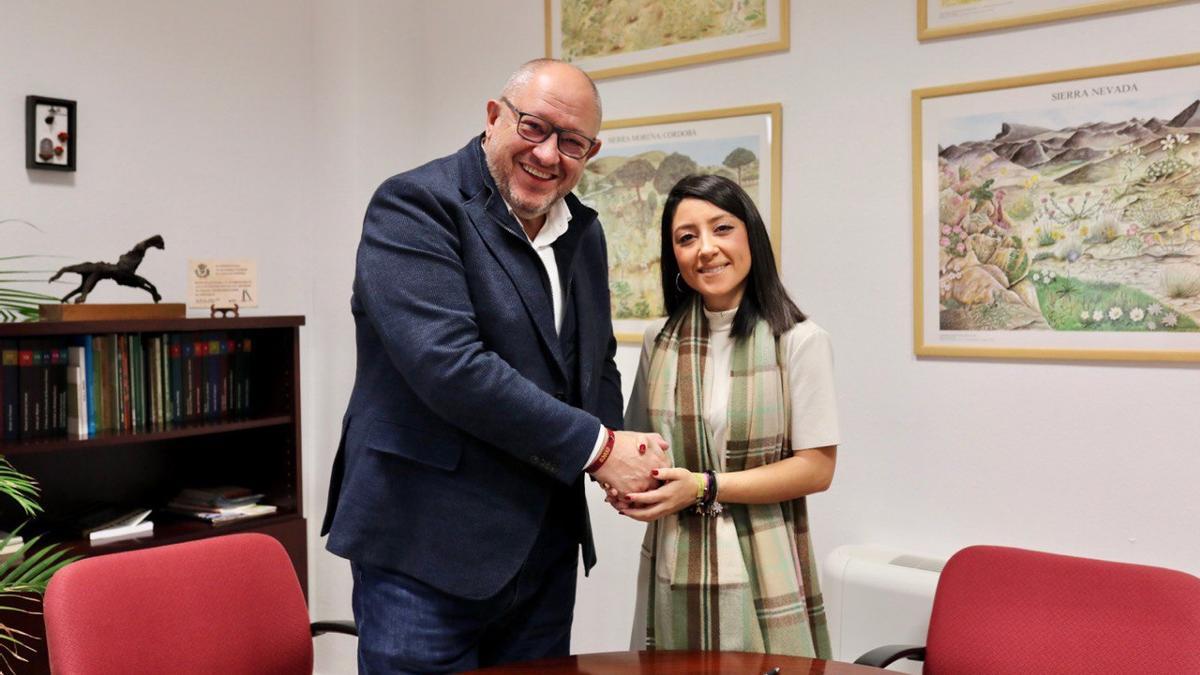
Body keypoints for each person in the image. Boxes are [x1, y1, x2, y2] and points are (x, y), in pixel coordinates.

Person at [321, 59, 669, 673]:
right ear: (493, 117)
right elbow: (450, 367)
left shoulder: (582, 231)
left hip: (541, 548)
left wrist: (620, 451)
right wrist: (598, 447)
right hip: (423, 546)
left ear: (591, 151)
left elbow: (593, 361)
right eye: (534, 127)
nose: (549, 154)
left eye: (573, 142)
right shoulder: (415, 206)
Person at [622, 174, 839, 656]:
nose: (706, 249)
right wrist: (632, 489)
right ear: (674, 255)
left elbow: (817, 468)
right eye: (686, 237)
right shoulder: (657, 340)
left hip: (765, 565)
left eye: (721, 229)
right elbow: (641, 445)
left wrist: (704, 487)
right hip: (672, 564)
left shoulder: (800, 341)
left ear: (750, 237)